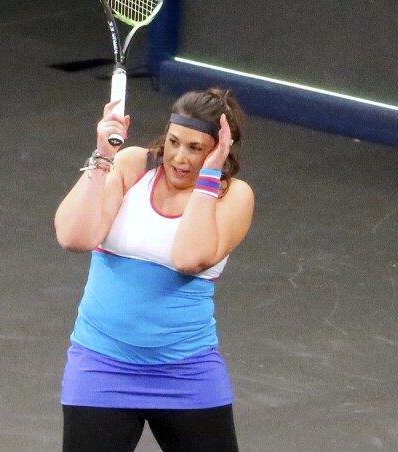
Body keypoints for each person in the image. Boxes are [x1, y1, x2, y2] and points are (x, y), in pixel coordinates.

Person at [55, 88, 255, 452]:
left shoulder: (232, 196)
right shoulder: (133, 165)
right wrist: (103, 156)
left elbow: (188, 258)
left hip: (188, 376)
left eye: (196, 149)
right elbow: (73, 236)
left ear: (220, 151)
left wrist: (207, 179)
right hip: (101, 370)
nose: (178, 158)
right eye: (174, 142)